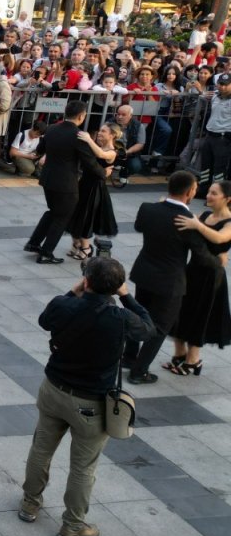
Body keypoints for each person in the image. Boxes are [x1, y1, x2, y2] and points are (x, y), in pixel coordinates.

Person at [19, 257, 155, 536]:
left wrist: (72, 292)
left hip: (54, 390)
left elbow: (45, 320)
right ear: (116, 287)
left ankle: (29, 504)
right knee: (83, 468)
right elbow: (148, 328)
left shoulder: (63, 305)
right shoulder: (120, 319)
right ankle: (72, 526)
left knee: (41, 449)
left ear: (86, 281)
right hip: (91, 404)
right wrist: (127, 296)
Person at [124, 171, 222, 384]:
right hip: (169, 282)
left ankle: (129, 357)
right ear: (190, 192)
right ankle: (139, 371)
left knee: (139, 316)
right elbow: (201, 255)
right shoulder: (187, 221)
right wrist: (219, 264)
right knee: (160, 326)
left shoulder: (148, 208)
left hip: (144, 273)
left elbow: (139, 226)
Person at [25, 100, 102, 265]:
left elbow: (40, 150)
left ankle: (34, 243)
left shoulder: (52, 128)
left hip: (48, 179)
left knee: (53, 211)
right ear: (81, 116)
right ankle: (46, 253)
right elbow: (89, 161)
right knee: (62, 217)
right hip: (66, 183)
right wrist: (103, 173)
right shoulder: (78, 135)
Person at [168, 179, 231, 376]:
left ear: (227, 199)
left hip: (211, 277)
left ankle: (193, 360)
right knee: (180, 311)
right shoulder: (204, 215)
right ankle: (180, 355)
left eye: (214, 193)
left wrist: (197, 225)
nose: (208, 195)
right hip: (192, 270)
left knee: (199, 316)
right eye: (209, 191)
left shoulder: (229, 222)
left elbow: (220, 238)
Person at [65, 124, 121, 262]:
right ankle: (77, 243)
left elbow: (101, 155)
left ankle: (86, 247)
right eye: (100, 130)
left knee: (86, 217)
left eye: (103, 131)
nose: (100, 133)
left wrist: (89, 140)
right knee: (74, 213)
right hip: (83, 184)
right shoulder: (97, 146)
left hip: (94, 188)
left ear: (112, 135)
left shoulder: (112, 152)